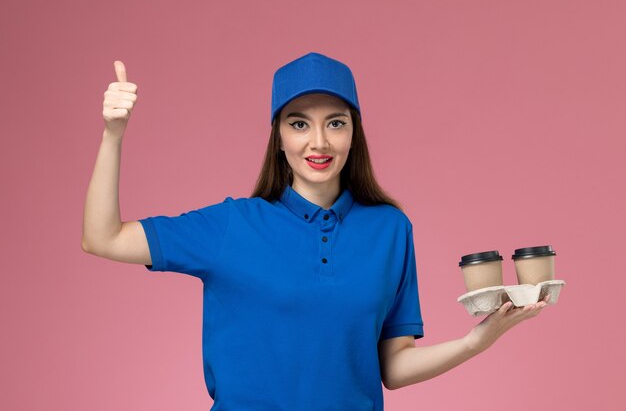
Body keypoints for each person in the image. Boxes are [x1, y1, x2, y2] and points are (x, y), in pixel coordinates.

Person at [82, 52, 549, 410]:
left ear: (353, 134)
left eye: (336, 124)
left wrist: (477, 341)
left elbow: (394, 366)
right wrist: (113, 135)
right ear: (279, 136)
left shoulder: (389, 229)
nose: (319, 142)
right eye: (299, 123)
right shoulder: (232, 225)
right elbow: (102, 238)